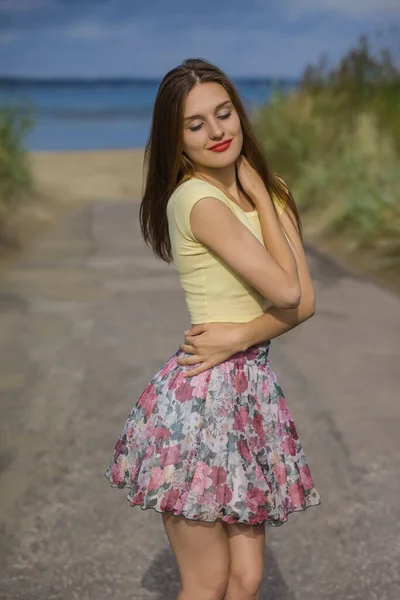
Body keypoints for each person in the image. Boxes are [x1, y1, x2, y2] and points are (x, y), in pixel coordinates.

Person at [104, 58, 321, 600]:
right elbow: (286, 292)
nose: (217, 131)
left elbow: (308, 301)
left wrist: (265, 194)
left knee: (246, 580)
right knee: (207, 583)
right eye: (195, 124)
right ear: (175, 141)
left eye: (224, 114)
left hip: (249, 396)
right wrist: (264, 198)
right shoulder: (197, 201)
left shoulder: (269, 189)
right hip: (198, 406)